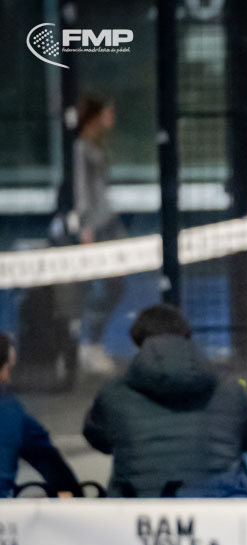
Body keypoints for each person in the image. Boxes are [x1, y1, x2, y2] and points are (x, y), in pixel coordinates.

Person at [82, 304, 247, 498]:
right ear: (186, 334)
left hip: (139, 504)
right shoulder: (229, 387)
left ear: (137, 340)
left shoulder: (113, 392)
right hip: (220, 500)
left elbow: (97, 437)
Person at [74, 95, 127, 373]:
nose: (112, 118)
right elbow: (82, 191)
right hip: (94, 229)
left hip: (108, 224)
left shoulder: (98, 146)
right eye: (108, 112)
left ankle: (91, 343)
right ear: (96, 116)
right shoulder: (81, 148)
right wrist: (86, 229)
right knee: (98, 288)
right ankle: (87, 344)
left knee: (116, 285)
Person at [0, 333, 83, 498]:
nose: (8, 378)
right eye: (8, 369)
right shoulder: (10, 413)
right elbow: (51, 464)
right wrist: (74, 497)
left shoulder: (12, 412)